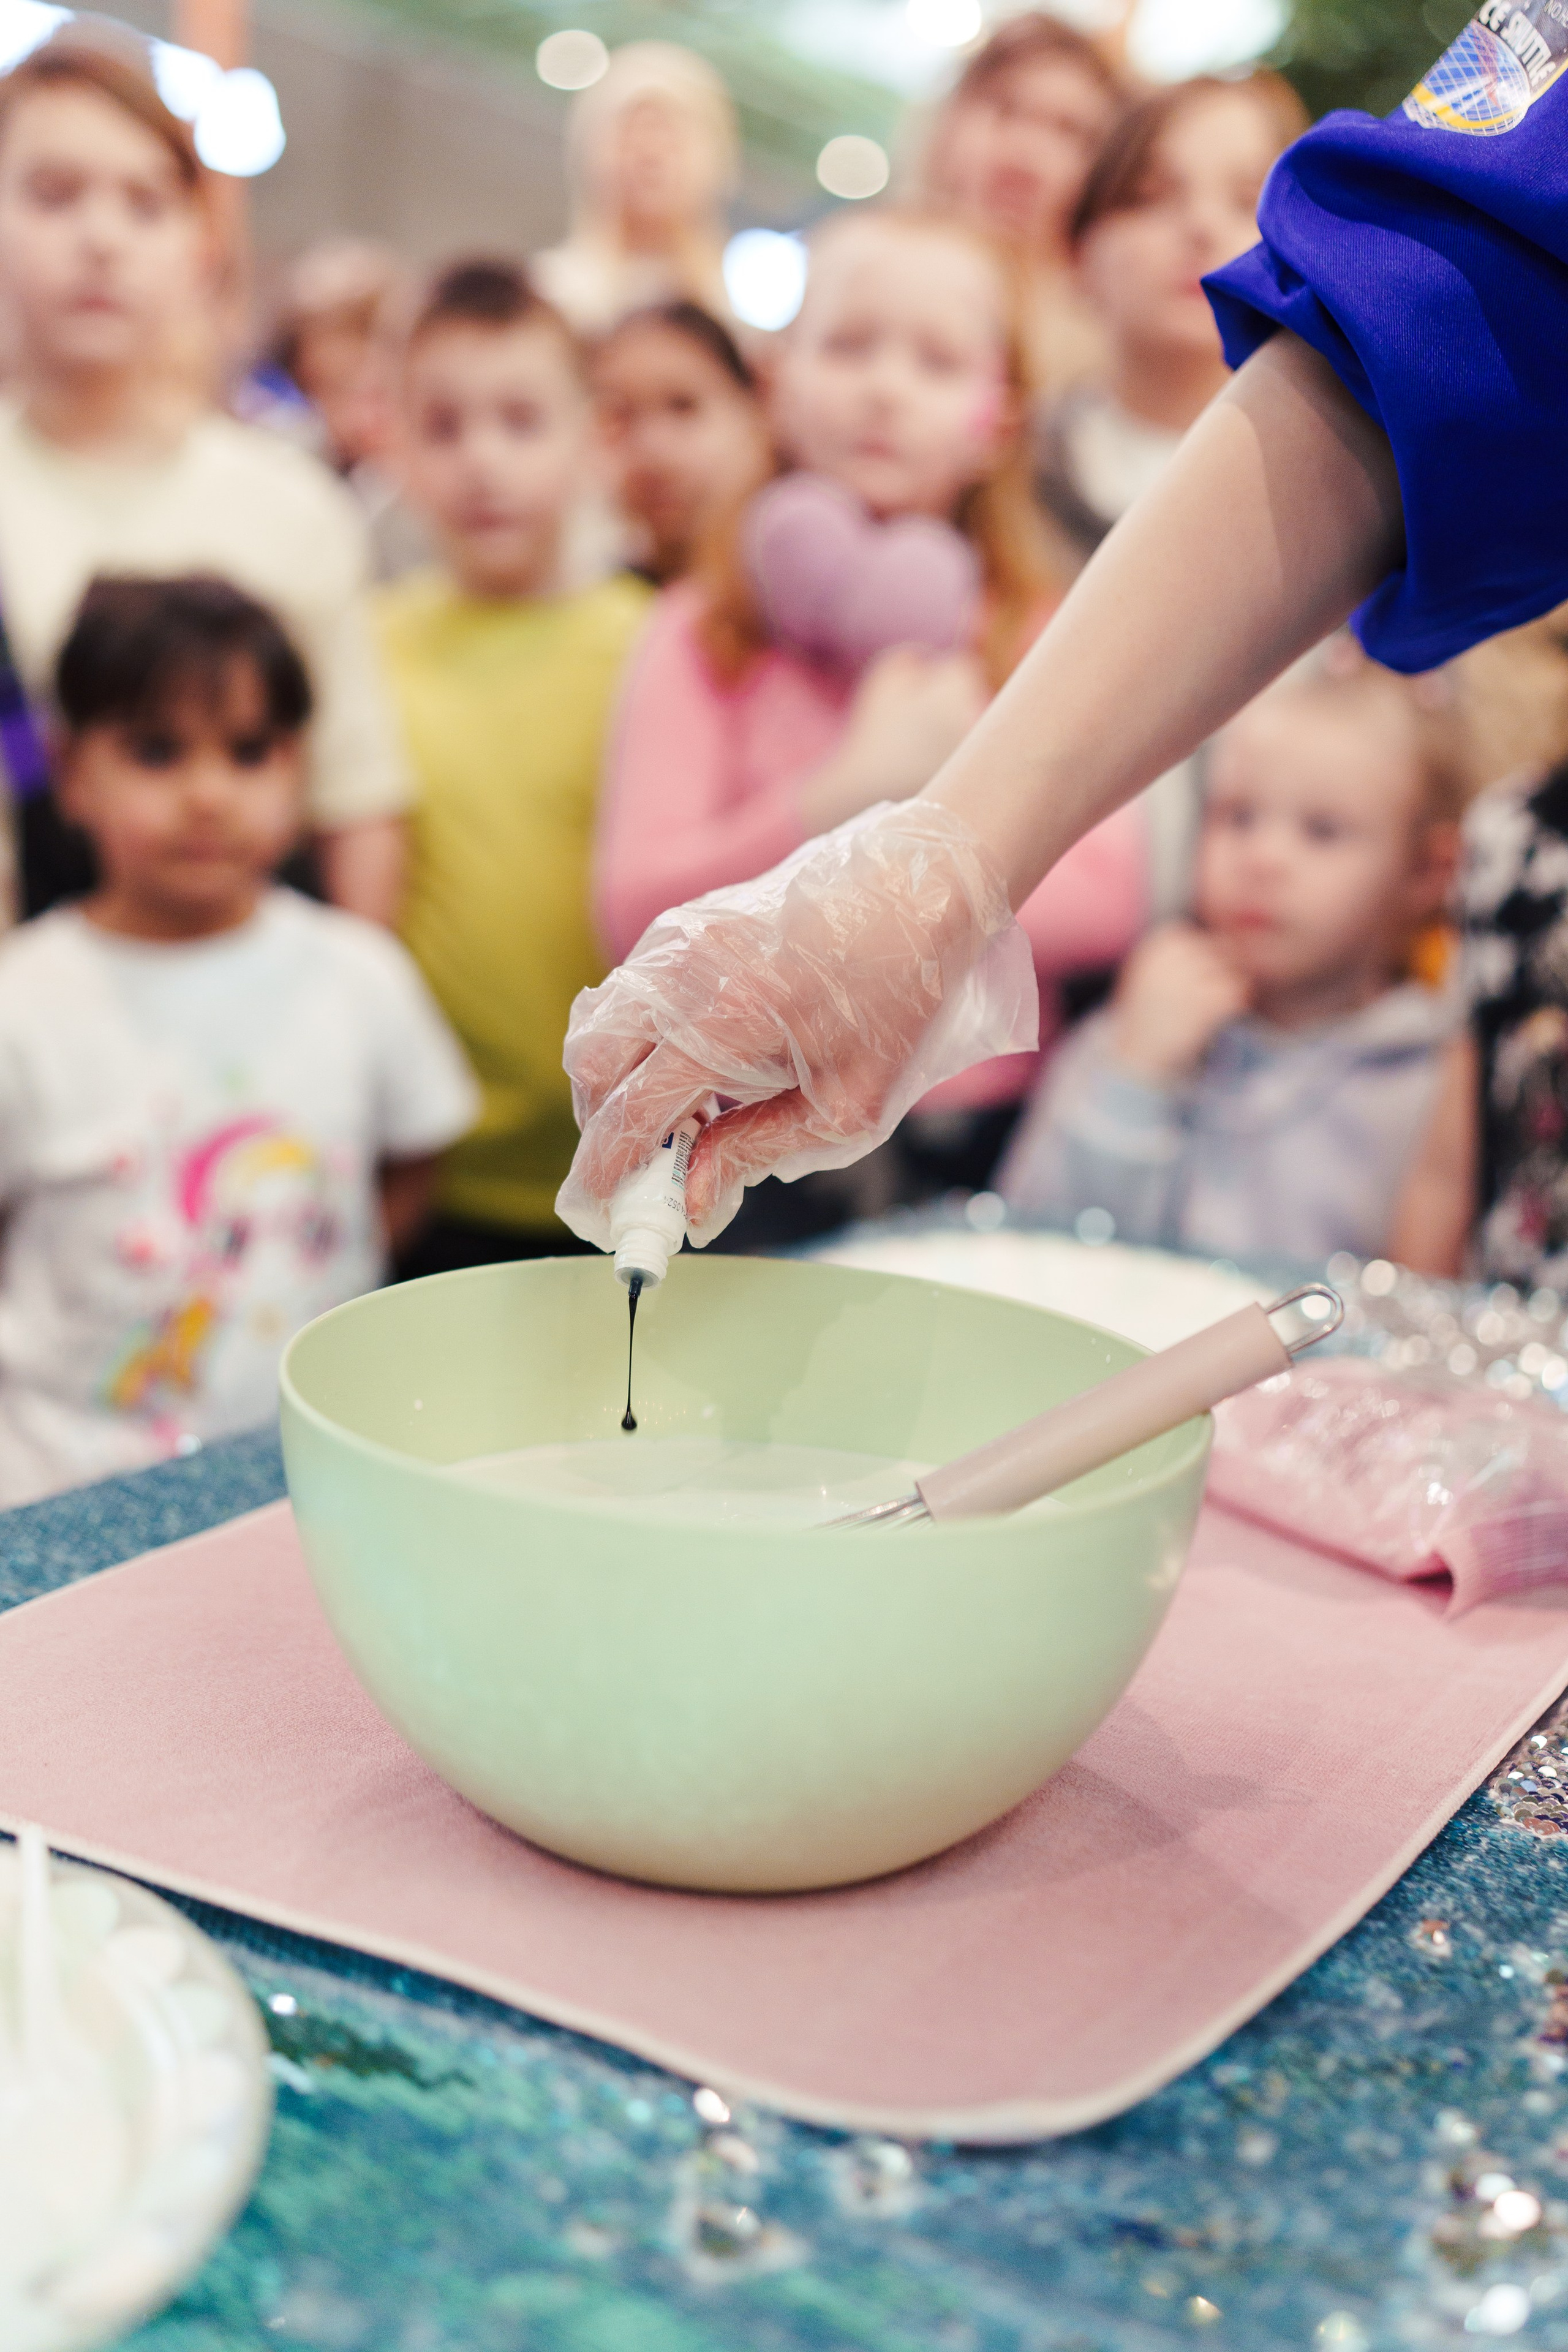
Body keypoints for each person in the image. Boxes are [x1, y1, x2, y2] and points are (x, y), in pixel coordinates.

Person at [557, 10, 1568, 1256]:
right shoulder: (705, 626)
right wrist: (929, 867)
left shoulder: (1015, 601)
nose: (885, 390)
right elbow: (1421, 311)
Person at [593, 205, 1145, 1216]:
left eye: (936, 361)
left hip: (971, 1134)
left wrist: (870, 881)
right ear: (777, 382)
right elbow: (635, 906)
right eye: (849, 346)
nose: (886, 387)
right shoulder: (701, 628)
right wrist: (847, 792)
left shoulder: (1037, 634)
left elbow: (1106, 896)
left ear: (1000, 417)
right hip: (742, 1129)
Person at [0, 575, 477, 1509]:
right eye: (157, 751)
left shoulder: (360, 975)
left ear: (299, 767)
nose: (208, 794)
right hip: (60, 1486)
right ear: (72, 771)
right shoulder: (23, 1002)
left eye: (250, 752)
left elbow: (413, 1155)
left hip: (305, 1478)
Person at [0, 31, 412, 930]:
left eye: (146, 202)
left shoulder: (290, 506)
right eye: (54, 194)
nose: (101, 238)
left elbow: (356, 806)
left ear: (199, 243)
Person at [1000, 654, 1463, 1262]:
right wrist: (1133, 1079)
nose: (1262, 859)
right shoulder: (1129, 1031)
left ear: (1426, 870)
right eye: (1237, 817)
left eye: (1322, 830)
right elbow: (1026, 1251)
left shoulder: (1432, 1082)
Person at [378, 260, 652, 1277]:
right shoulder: (371, 644)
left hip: (630, 1160)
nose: (482, 461)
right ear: (396, 445)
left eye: (522, 421)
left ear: (594, 440)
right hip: (428, 1165)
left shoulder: (650, 644)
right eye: (444, 427)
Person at [1035, 73, 1307, 573]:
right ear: (1077, 250)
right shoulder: (995, 481)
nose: (1202, 225)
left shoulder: (1354, 507)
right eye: (1150, 196)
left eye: (1247, 200)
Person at [921, 12, 1127, 402]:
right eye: (1005, 110)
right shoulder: (860, 273)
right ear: (950, 122)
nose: (1025, 157)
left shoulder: (1106, 365)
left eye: (1067, 131)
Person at [533, 43, 737, 338]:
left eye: (671, 137)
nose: (651, 155)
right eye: (631, 134)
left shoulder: (734, 317)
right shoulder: (551, 296)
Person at [265, 236, 432, 582]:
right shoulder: (284, 463)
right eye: (330, 390)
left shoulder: (435, 476)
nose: (356, 419)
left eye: (376, 393)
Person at [590, 300, 770, 585]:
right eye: (621, 416)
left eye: (683, 405)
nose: (652, 450)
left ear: (757, 403)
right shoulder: (609, 597)